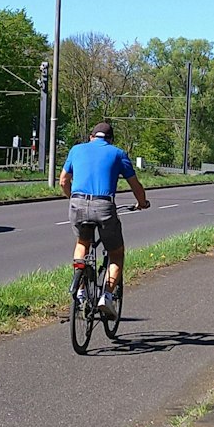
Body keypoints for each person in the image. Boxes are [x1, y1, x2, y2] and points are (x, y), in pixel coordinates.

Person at [60, 120, 148, 315]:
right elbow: (135, 185)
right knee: (116, 254)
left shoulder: (76, 149)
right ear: (110, 139)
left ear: (91, 137)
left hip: (77, 203)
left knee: (83, 243)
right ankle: (106, 296)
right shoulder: (118, 153)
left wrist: (73, 198)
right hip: (104, 206)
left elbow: (63, 180)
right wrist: (142, 202)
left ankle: (80, 290)